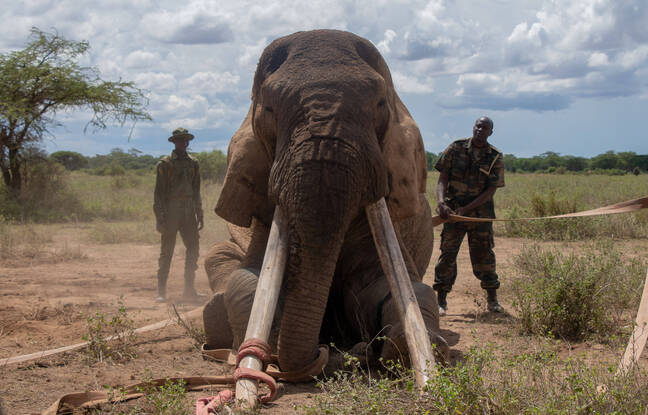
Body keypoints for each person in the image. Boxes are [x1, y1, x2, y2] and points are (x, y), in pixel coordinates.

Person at [433, 116, 505, 315]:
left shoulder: (495, 156)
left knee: (484, 256)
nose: (480, 129)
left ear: (491, 132)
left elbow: (491, 190)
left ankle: (492, 300)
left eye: (485, 128)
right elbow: (442, 178)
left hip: (479, 216)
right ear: (473, 127)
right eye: (478, 125)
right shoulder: (455, 148)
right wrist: (441, 203)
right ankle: (441, 301)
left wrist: (467, 209)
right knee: (447, 255)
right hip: (452, 214)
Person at [153, 127, 204, 302]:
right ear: (174, 142)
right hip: (170, 212)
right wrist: (160, 218)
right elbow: (158, 194)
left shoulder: (194, 163)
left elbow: (196, 190)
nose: (184, 143)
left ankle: (189, 289)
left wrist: (200, 212)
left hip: (189, 212)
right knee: (167, 251)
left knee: (194, 248)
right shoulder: (164, 164)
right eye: (181, 140)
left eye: (186, 140)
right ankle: (161, 292)